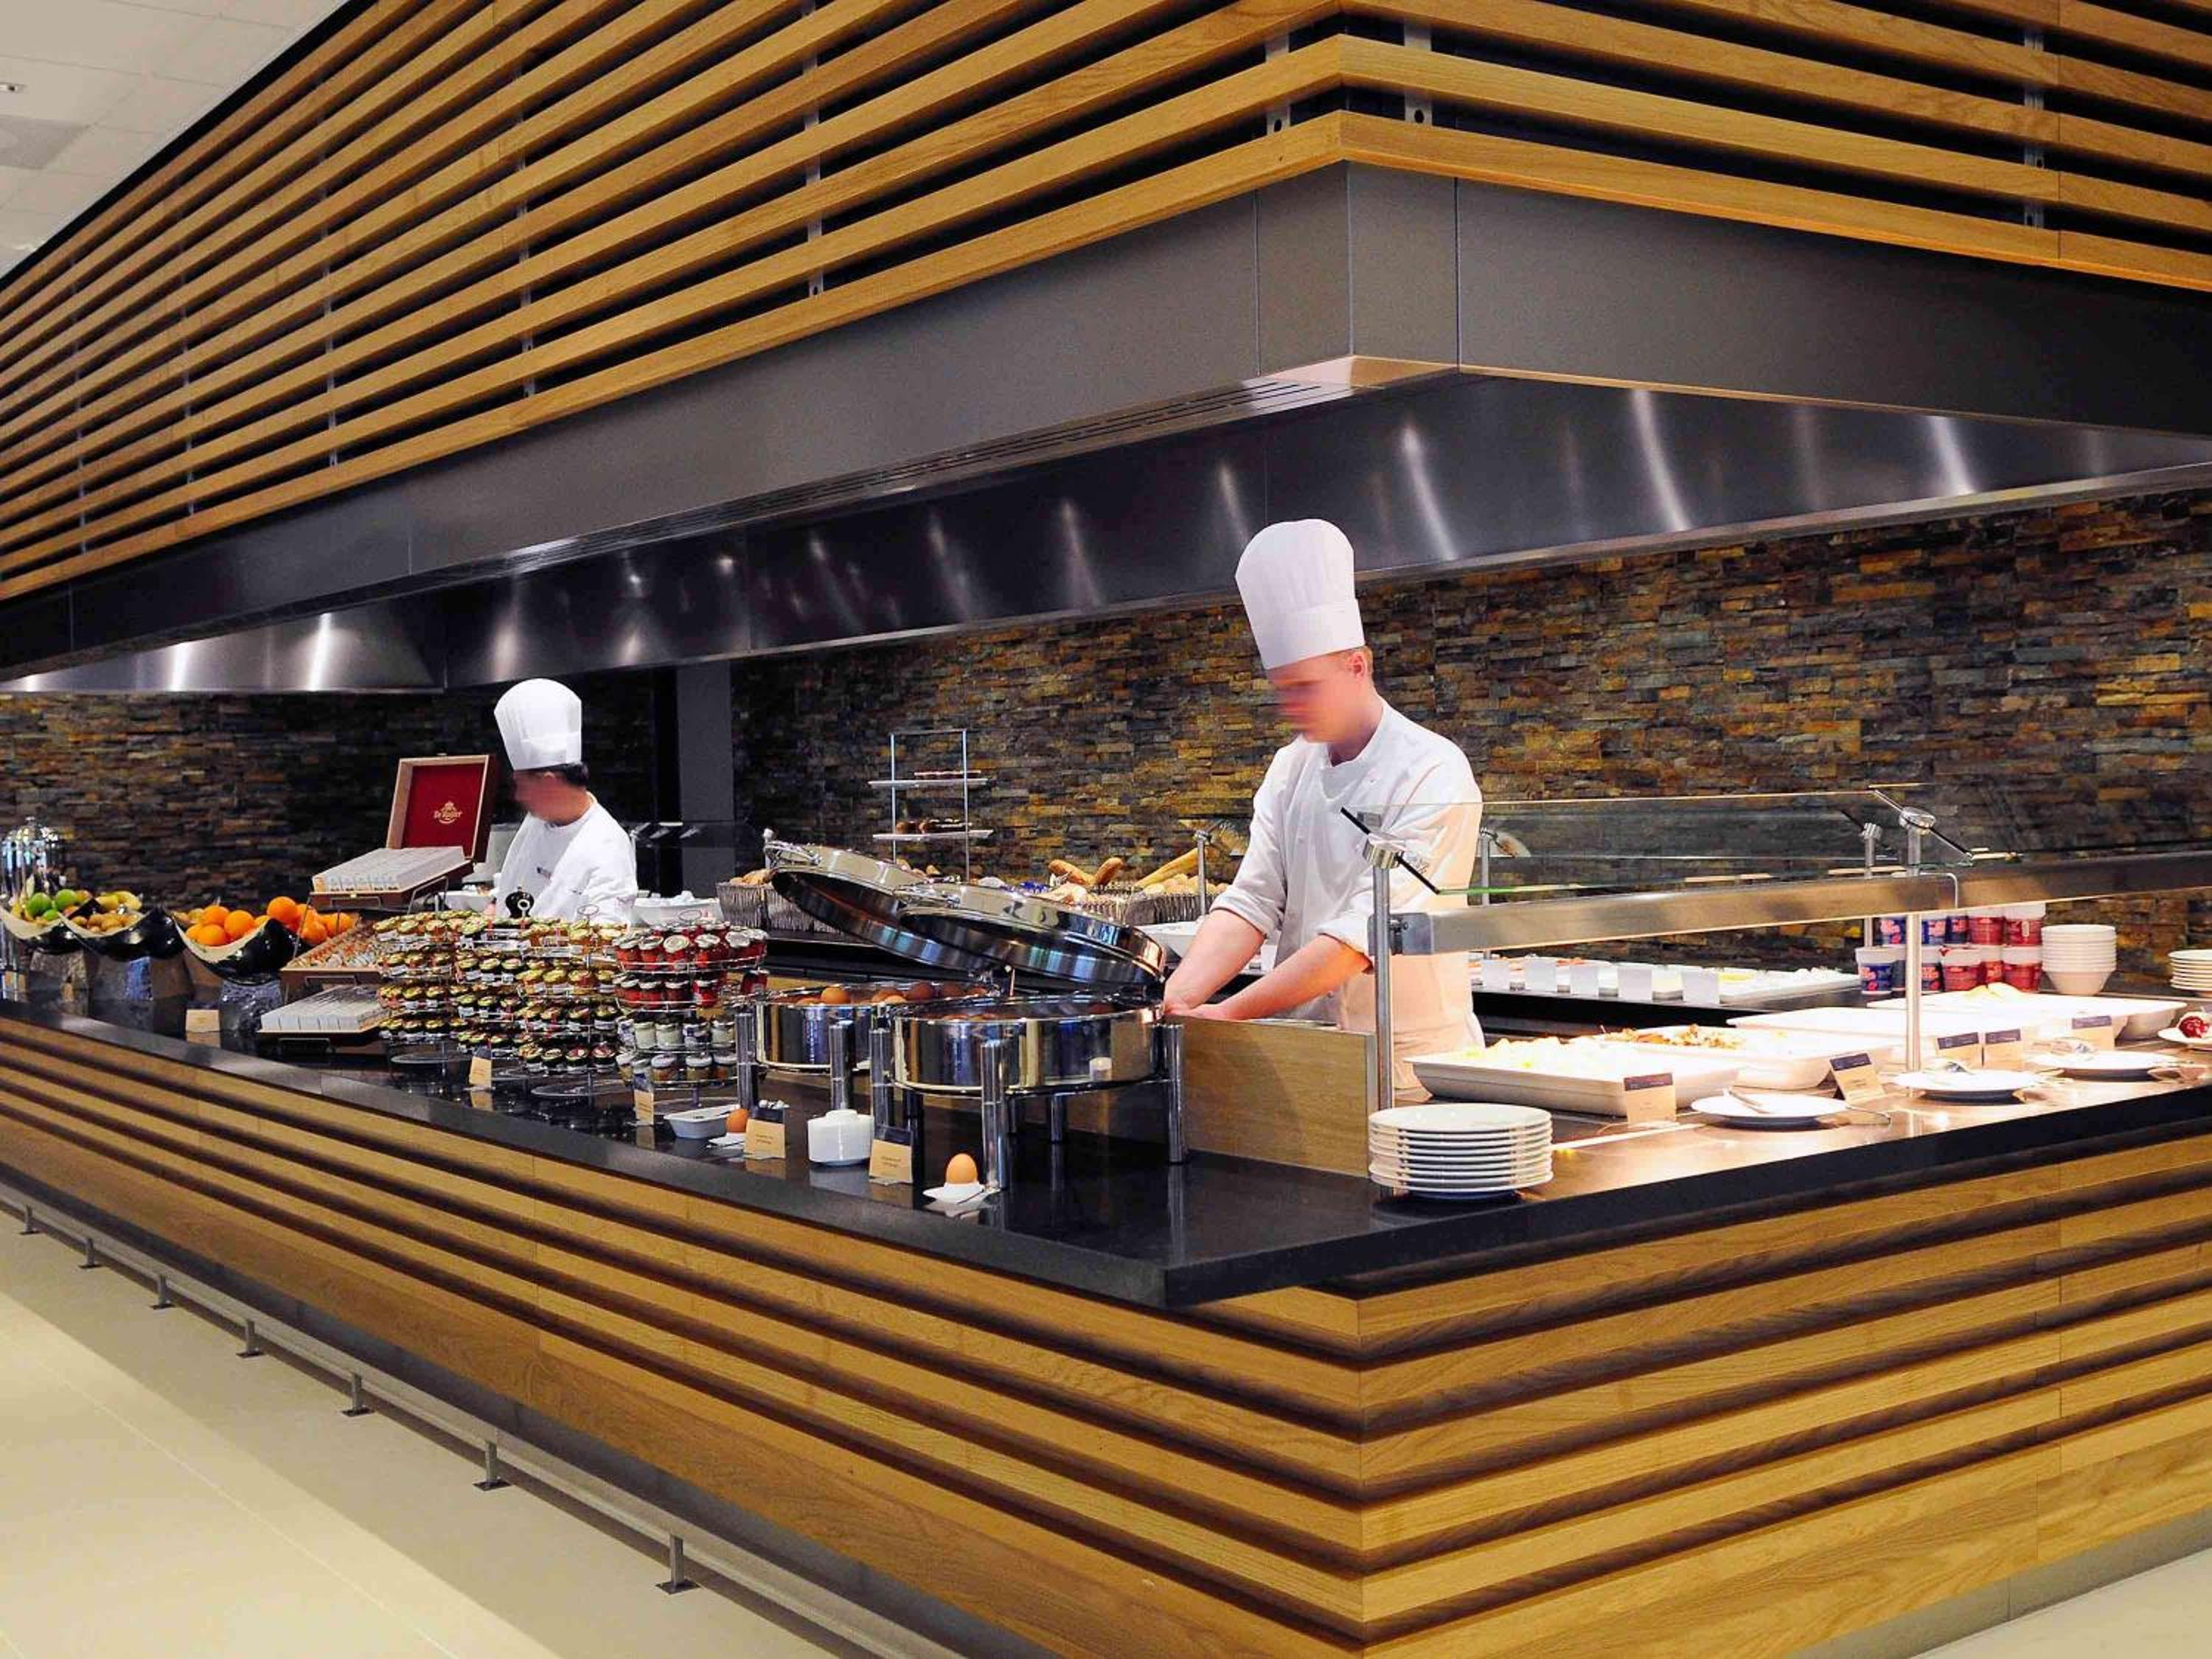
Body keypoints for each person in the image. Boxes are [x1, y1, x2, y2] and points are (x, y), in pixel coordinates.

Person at [1161, 520, 1481, 1096]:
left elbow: (1361, 938)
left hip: (1410, 1066)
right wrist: (1177, 1000)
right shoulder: (1290, 768)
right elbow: (1252, 901)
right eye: (1282, 688)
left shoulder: (1433, 769)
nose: (1290, 706)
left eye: (1304, 686)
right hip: (1304, 1053)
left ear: (1358, 666)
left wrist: (1229, 1014)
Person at [490, 678, 639, 922]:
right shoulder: (535, 822)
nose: (518, 797)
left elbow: (605, 931)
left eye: (522, 786)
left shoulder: (608, 844)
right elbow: (513, 887)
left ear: (549, 782)